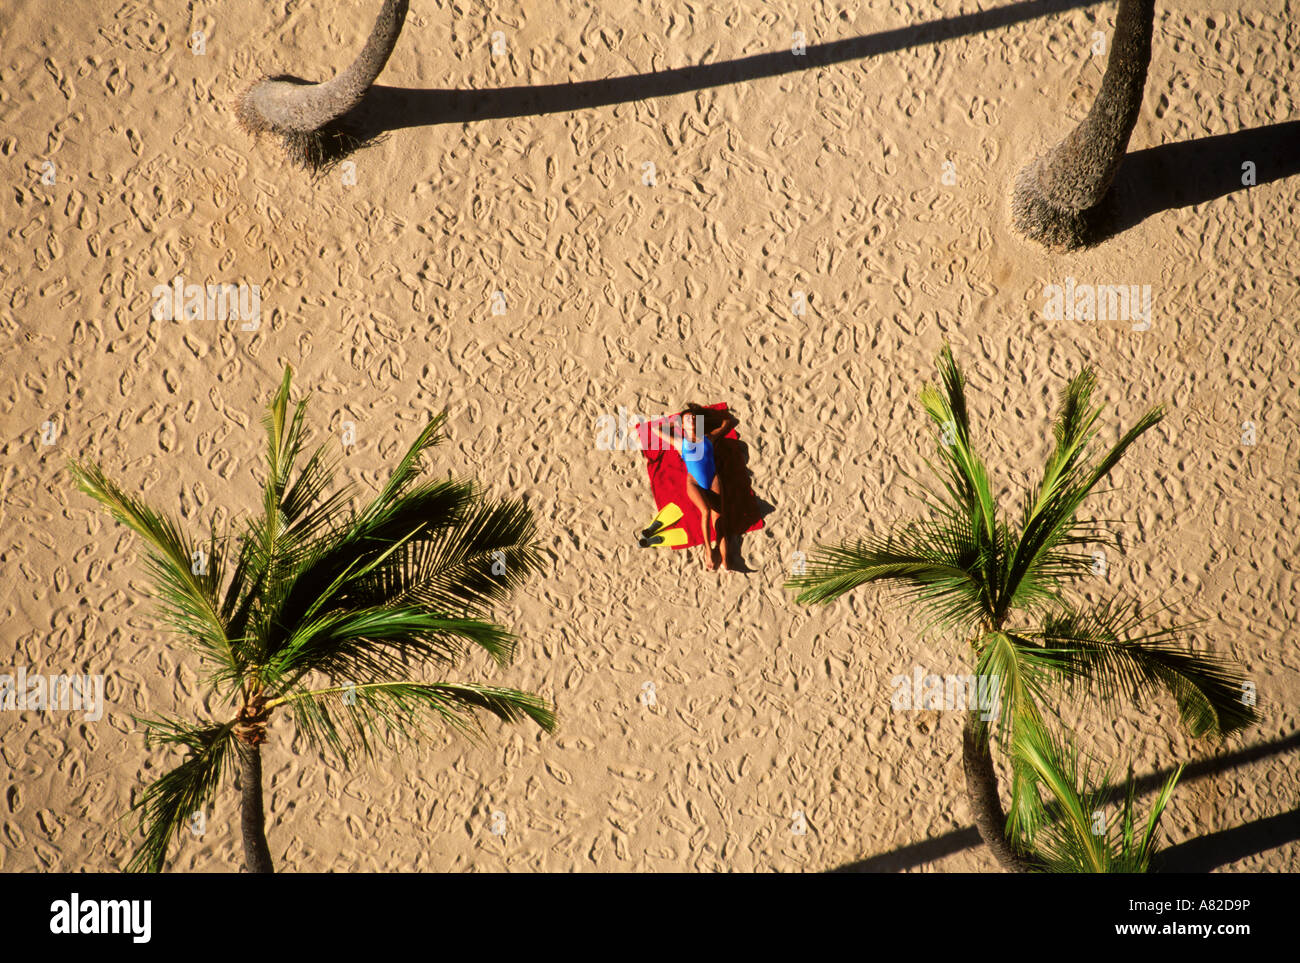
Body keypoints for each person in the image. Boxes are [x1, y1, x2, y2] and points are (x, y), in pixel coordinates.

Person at [651, 403, 738, 570]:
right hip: (694, 482)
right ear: (682, 425)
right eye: (687, 419)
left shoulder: (708, 437)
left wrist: (706, 418)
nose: (692, 419)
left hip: (713, 479)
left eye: (694, 418)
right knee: (705, 511)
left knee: (719, 522)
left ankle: (726, 562)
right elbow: (657, 430)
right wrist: (677, 423)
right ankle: (708, 551)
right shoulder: (679, 442)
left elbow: (726, 422)